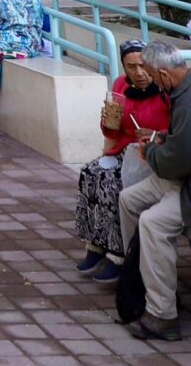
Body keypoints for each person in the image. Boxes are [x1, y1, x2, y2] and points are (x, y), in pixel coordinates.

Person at [111, 39, 191, 340]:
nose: (151, 80)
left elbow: (180, 163)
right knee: (128, 199)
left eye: (152, 75)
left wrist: (151, 151)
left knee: (152, 223)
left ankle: (162, 314)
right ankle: (143, 281)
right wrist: (161, 138)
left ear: (163, 74)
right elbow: (185, 143)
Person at [73, 43, 173, 283]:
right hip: (126, 151)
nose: (139, 73)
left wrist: (155, 135)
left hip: (152, 155)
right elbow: (112, 132)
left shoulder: (165, 91)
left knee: (111, 183)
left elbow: (176, 131)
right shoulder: (120, 86)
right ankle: (96, 244)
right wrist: (107, 121)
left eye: (143, 66)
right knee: (91, 173)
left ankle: (118, 254)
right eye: (131, 67)